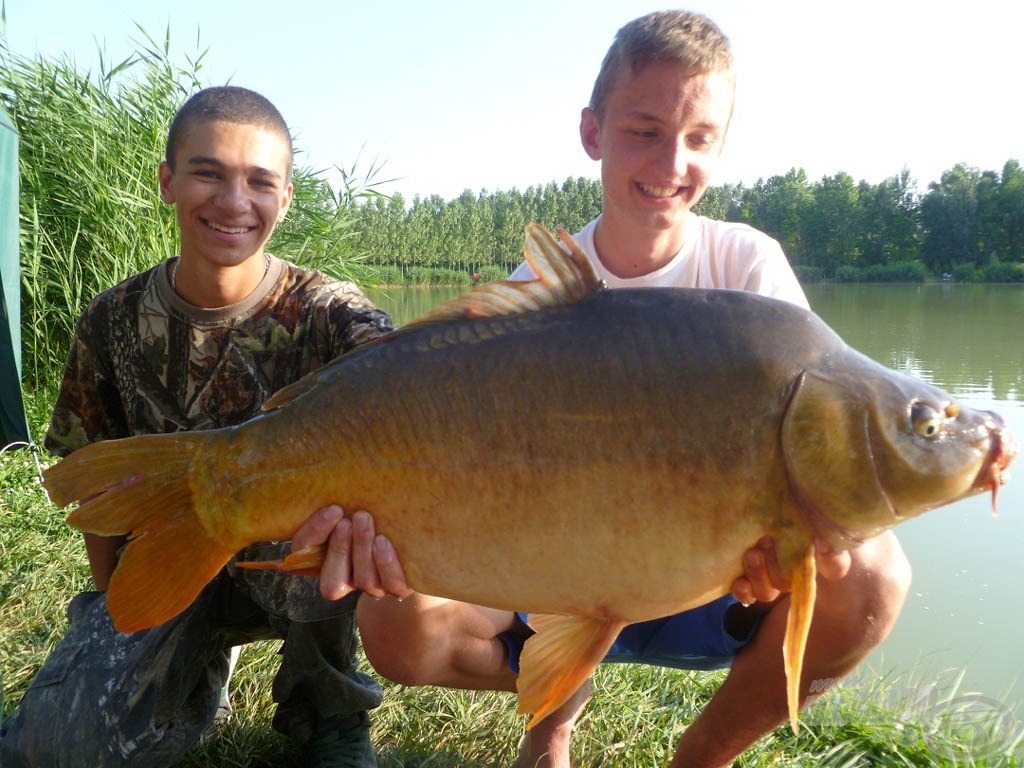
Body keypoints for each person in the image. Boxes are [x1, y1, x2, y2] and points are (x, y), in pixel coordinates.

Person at [317, 10, 912, 768]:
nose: (672, 160)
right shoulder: (538, 296)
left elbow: (807, 455)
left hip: (703, 586)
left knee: (874, 574)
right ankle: (553, 717)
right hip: (553, 577)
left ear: (720, 146)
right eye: (645, 130)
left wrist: (784, 551)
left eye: (699, 138)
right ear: (593, 133)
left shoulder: (750, 277)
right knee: (394, 626)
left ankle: (699, 757)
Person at [0, 85, 404, 768]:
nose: (233, 202)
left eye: (259, 181)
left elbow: (413, 390)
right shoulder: (112, 318)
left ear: (286, 197)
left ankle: (329, 712)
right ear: (168, 181)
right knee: (51, 751)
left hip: (295, 569)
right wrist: (116, 621)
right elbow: (96, 493)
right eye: (208, 173)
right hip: (171, 553)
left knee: (322, 507)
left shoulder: (332, 314)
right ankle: (195, 666)